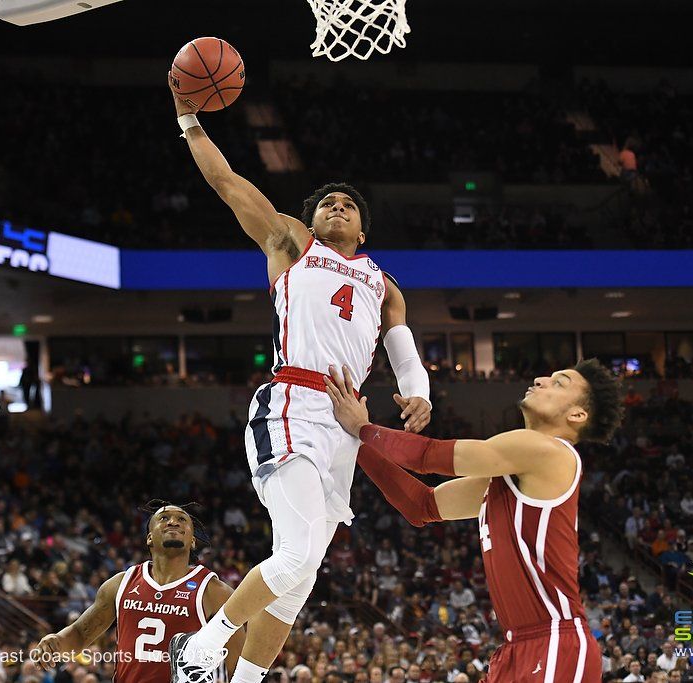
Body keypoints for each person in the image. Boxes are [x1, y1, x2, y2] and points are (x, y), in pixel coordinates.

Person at [166, 74, 432, 683]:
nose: (336, 207)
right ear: (310, 219)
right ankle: (201, 650)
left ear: (362, 231)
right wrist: (189, 121)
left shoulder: (385, 284)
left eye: (348, 205)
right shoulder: (292, 243)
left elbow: (402, 348)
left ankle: (245, 679)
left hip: (346, 425)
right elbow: (227, 183)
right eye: (326, 204)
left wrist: (419, 394)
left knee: (302, 575)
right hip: (291, 402)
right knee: (295, 555)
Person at [322, 359, 624, 682]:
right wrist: (356, 444)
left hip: (556, 643)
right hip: (515, 648)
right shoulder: (507, 476)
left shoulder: (551, 451)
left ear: (577, 415)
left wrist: (362, 428)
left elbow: (427, 456)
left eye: (559, 382)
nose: (540, 379)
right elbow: (420, 505)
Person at [31, 503, 243, 683]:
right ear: (149, 538)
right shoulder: (120, 584)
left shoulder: (213, 591)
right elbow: (80, 634)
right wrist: (56, 641)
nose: (173, 522)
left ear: (193, 541)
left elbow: (239, 663)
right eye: (164, 518)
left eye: (182, 519)